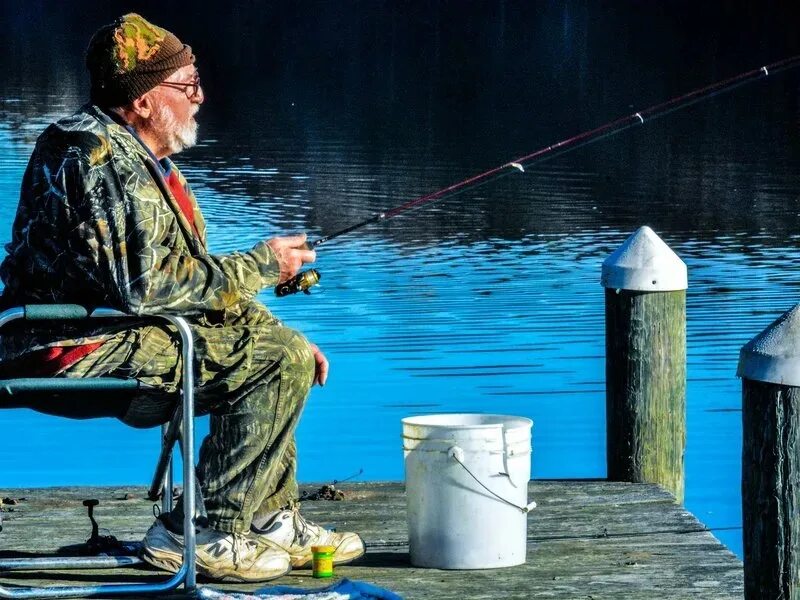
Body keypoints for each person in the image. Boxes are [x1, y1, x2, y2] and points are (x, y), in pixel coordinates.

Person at [0, 13, 364, 582]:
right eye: (187, 84)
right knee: (272, 360)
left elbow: (185, 280)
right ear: (144, 101)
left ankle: (267, 516)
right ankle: (200, 528)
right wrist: (264, 264)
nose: (200, 97)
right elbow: (150, 287)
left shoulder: (139, 159)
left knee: (279, 345)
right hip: (66, 341)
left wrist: (264, 312)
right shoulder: (101, 163)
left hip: (113, 329)